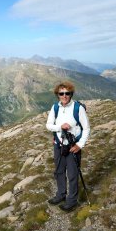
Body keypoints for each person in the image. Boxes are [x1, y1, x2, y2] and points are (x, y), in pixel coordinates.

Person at [45, 81, 90, 211]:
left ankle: (72, 201)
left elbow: (86, 128)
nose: (64, 96)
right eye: (61, 93)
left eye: (67, 93)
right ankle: (61, 194)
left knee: (72, 174)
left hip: (72, 146)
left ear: (71, 94)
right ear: (57, 95)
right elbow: (48, 125)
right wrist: (60, 126)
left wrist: (79, 145)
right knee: (59, 171)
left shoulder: (78, 108)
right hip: (58, 145)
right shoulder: (55, 108)